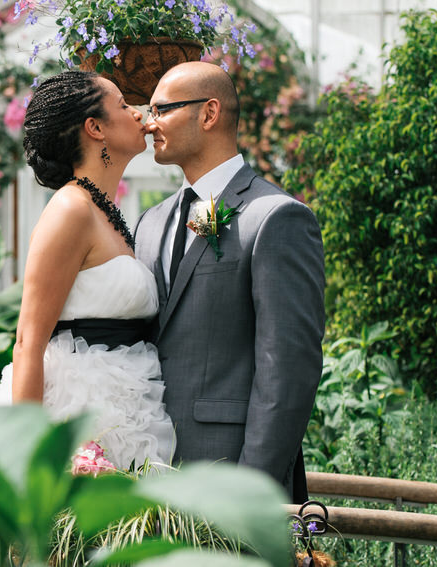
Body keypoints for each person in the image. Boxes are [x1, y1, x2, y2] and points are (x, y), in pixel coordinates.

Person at [0, 71, 175, 567]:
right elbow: (27, 341)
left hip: (128, 404)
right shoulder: (69, 209)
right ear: (95, 128)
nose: (138, 112)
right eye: (122, 104)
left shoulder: (108, 211)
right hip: (73, 408)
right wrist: (34, 458)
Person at [133, 61, 325, 503]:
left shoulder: (275, 217)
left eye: (161, 109)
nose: (148, 123)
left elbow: (288, 369)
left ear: (208, 113)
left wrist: (251, 493)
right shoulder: (151, 221)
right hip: (147, 476)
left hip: (229, 476)